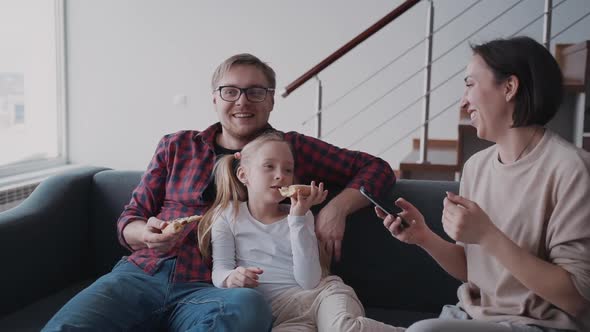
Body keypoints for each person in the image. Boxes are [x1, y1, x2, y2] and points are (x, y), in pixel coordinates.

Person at [43, 53, 395, 331]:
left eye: (256, 91)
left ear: (271, 101)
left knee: (247, 309)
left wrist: (335, 210)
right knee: (67, 325)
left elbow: (377, 168)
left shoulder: (290, 149)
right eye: (231, 91)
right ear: (215, 98)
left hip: (215, 291)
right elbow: (130, 219)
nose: (243, 101)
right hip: (144, 274)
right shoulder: (176, 145)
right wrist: (146, 235)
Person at [375, 36, 590, 332]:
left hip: (539, 326)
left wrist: (488, 235)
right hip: (471, 317)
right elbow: (474, 271)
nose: (463, 102)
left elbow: (577, 297)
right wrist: (424, 236)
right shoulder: (476, 167)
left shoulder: (571, 170)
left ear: (509, 87)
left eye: (470, 84)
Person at [203, 131, 401, 331]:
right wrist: (231, 277)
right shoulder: (227, 215)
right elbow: (220, 271)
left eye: (288, 170)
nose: (281, 175)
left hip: (322, 295)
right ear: (243, 174)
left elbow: (309, 280)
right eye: (269, 166)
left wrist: (297, 219)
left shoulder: (300, 216)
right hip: (282, 315)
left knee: (342, 328)